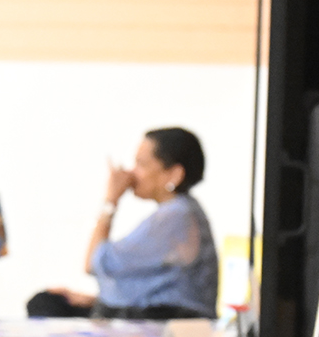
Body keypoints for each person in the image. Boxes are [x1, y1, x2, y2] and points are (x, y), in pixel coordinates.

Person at [34, 127, 219, 320]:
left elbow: (94, 262)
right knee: (51, 301)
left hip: (166, 321)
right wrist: (95, 299)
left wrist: (111, 200)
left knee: (46, 305)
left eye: (141, 164)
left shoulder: (175, 216)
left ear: (173, 174)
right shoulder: (183, 211)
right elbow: (150, 285)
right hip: (161, 314)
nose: (131, 173)